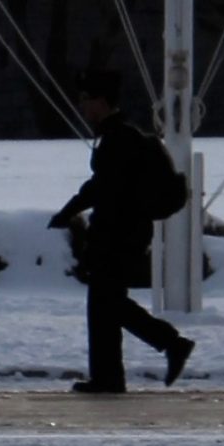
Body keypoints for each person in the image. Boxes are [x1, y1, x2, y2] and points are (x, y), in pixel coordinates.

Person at [48, 67, 193, 393]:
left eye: (85, 100)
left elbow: (101, 188)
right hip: (125, 233)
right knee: (104, 304)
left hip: (119, 236)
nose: (82, 107)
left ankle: (169, 344)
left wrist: (69, 211)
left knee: (106, 304)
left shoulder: (117, 140)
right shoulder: (119, 137)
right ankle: (109, 376)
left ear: (100, 102)